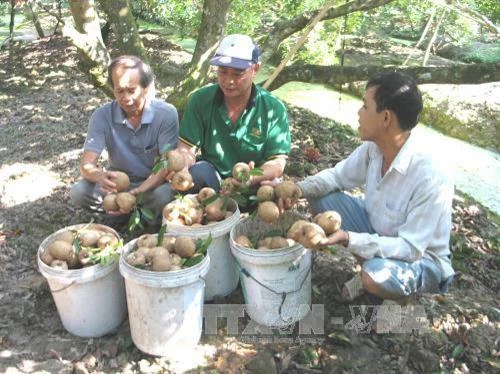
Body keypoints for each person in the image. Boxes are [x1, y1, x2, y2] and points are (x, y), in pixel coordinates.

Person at [293, 71, 455, 302]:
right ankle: (373, 273)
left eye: (364, 106)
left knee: (375, 277)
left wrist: (349, 238)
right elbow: (338, 177)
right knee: (322, 196)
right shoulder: (375, 148)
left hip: (421, 260)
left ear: (386, 118)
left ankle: (398, 296)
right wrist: (297, 189)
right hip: (380, 233)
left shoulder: (431, 176)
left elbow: (410, 248)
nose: (359, 113)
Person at [172, 34, 291, 194]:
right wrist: (183, 167)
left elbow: (277, 161)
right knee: (189, 178)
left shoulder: (273, 109)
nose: (228, 81)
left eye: (238, 73)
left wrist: (252, 177)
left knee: (275, 193)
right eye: (222, 71)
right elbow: (186, 147)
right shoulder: (200, 100)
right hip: (212, 179)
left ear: (255, 69)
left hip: (254, 186)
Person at [70, 55, 179, 227]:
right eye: (119, 91)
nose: (126, 98)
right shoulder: (101, 116)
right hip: (118, 185)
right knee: (79, 191)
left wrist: (138, 192)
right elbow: (86, 165)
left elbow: (166, 165)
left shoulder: (166, 114)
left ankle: (132, 213)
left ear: (146, 88)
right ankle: (129, 212)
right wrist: (100, 176)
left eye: (131, 90)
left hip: (152, 185)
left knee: (164, 196)